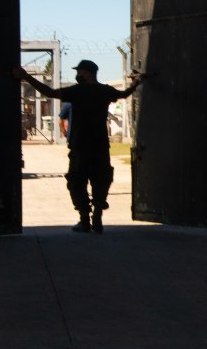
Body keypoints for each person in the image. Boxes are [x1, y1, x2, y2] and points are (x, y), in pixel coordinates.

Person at [12, 59, 141, 233]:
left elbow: (49, 92)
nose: (78, 75)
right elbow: (124, 94)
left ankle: (84, 219)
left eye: (80, 71)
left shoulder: (77, 91)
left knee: (76, 181)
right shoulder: (106, 91)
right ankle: (97, 215)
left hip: (80, 145)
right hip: (100, 145)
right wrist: (136, 83)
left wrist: (26, 76)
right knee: (101, 179)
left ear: (88, 73)